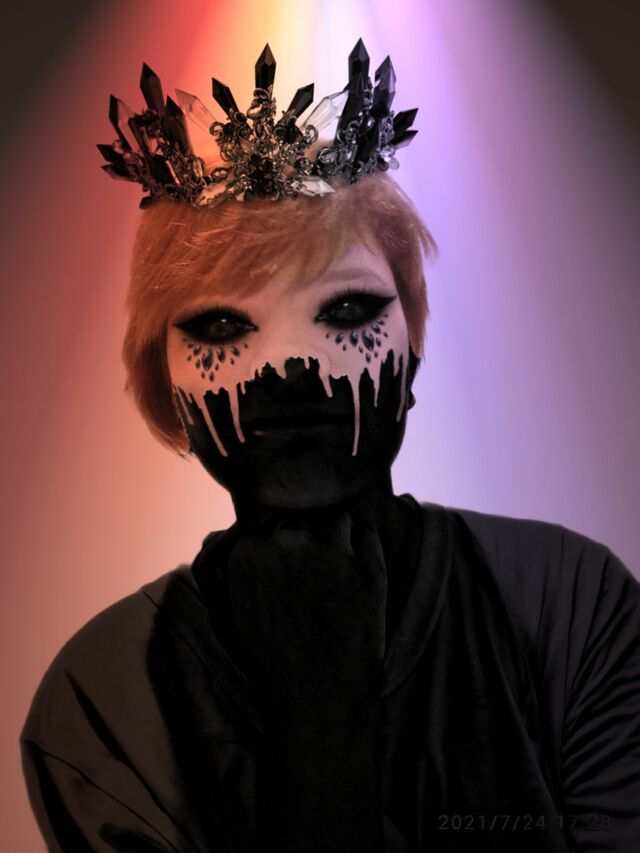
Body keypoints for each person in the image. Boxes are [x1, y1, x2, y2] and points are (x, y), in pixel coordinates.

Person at [20, 41, 640, 853]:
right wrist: (317, 719)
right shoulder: (101, 697)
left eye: (345, 311)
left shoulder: (568, 603)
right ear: (162, 375)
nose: (289, 368)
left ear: (412, 342)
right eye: (222, 325)